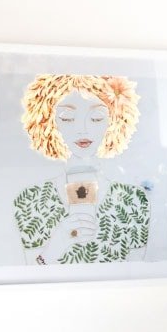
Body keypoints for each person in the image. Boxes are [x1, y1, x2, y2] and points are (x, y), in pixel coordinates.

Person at [15, 73, 150, 265]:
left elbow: (139, 271)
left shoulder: (134, 200)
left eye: (96, 118)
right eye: (68, 118)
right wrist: (57, 244)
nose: (83, 129)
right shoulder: (30, 201)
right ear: (46, 122)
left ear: (115, 121)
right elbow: (26, 278)